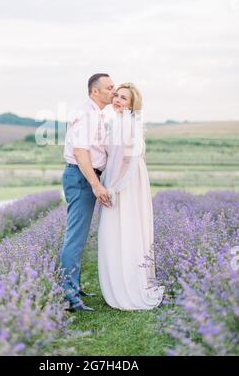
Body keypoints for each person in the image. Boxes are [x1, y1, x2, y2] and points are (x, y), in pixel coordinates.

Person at [98, 83, 165, 310]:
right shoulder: (125, 123)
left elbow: (123, 162)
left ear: (131, 104)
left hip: (124, 185)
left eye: (123, 98)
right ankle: (127, 281)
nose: (117, 100)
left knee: (122, 230)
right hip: (130, 182)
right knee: (128, 229)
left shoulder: (125, 124)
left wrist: (110, 188)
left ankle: (126, 286)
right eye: (116, 95)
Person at [59, 73, 115, 312]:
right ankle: (69, 297)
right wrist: (95, 184)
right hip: (82, 178)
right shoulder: (86, 116)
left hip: (85, 177)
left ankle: (75, 287)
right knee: (76, 237)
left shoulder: (96, 114)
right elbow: (81, 153)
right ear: (95, 92)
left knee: (79, 238)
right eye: (109, 87)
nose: (114, 90)